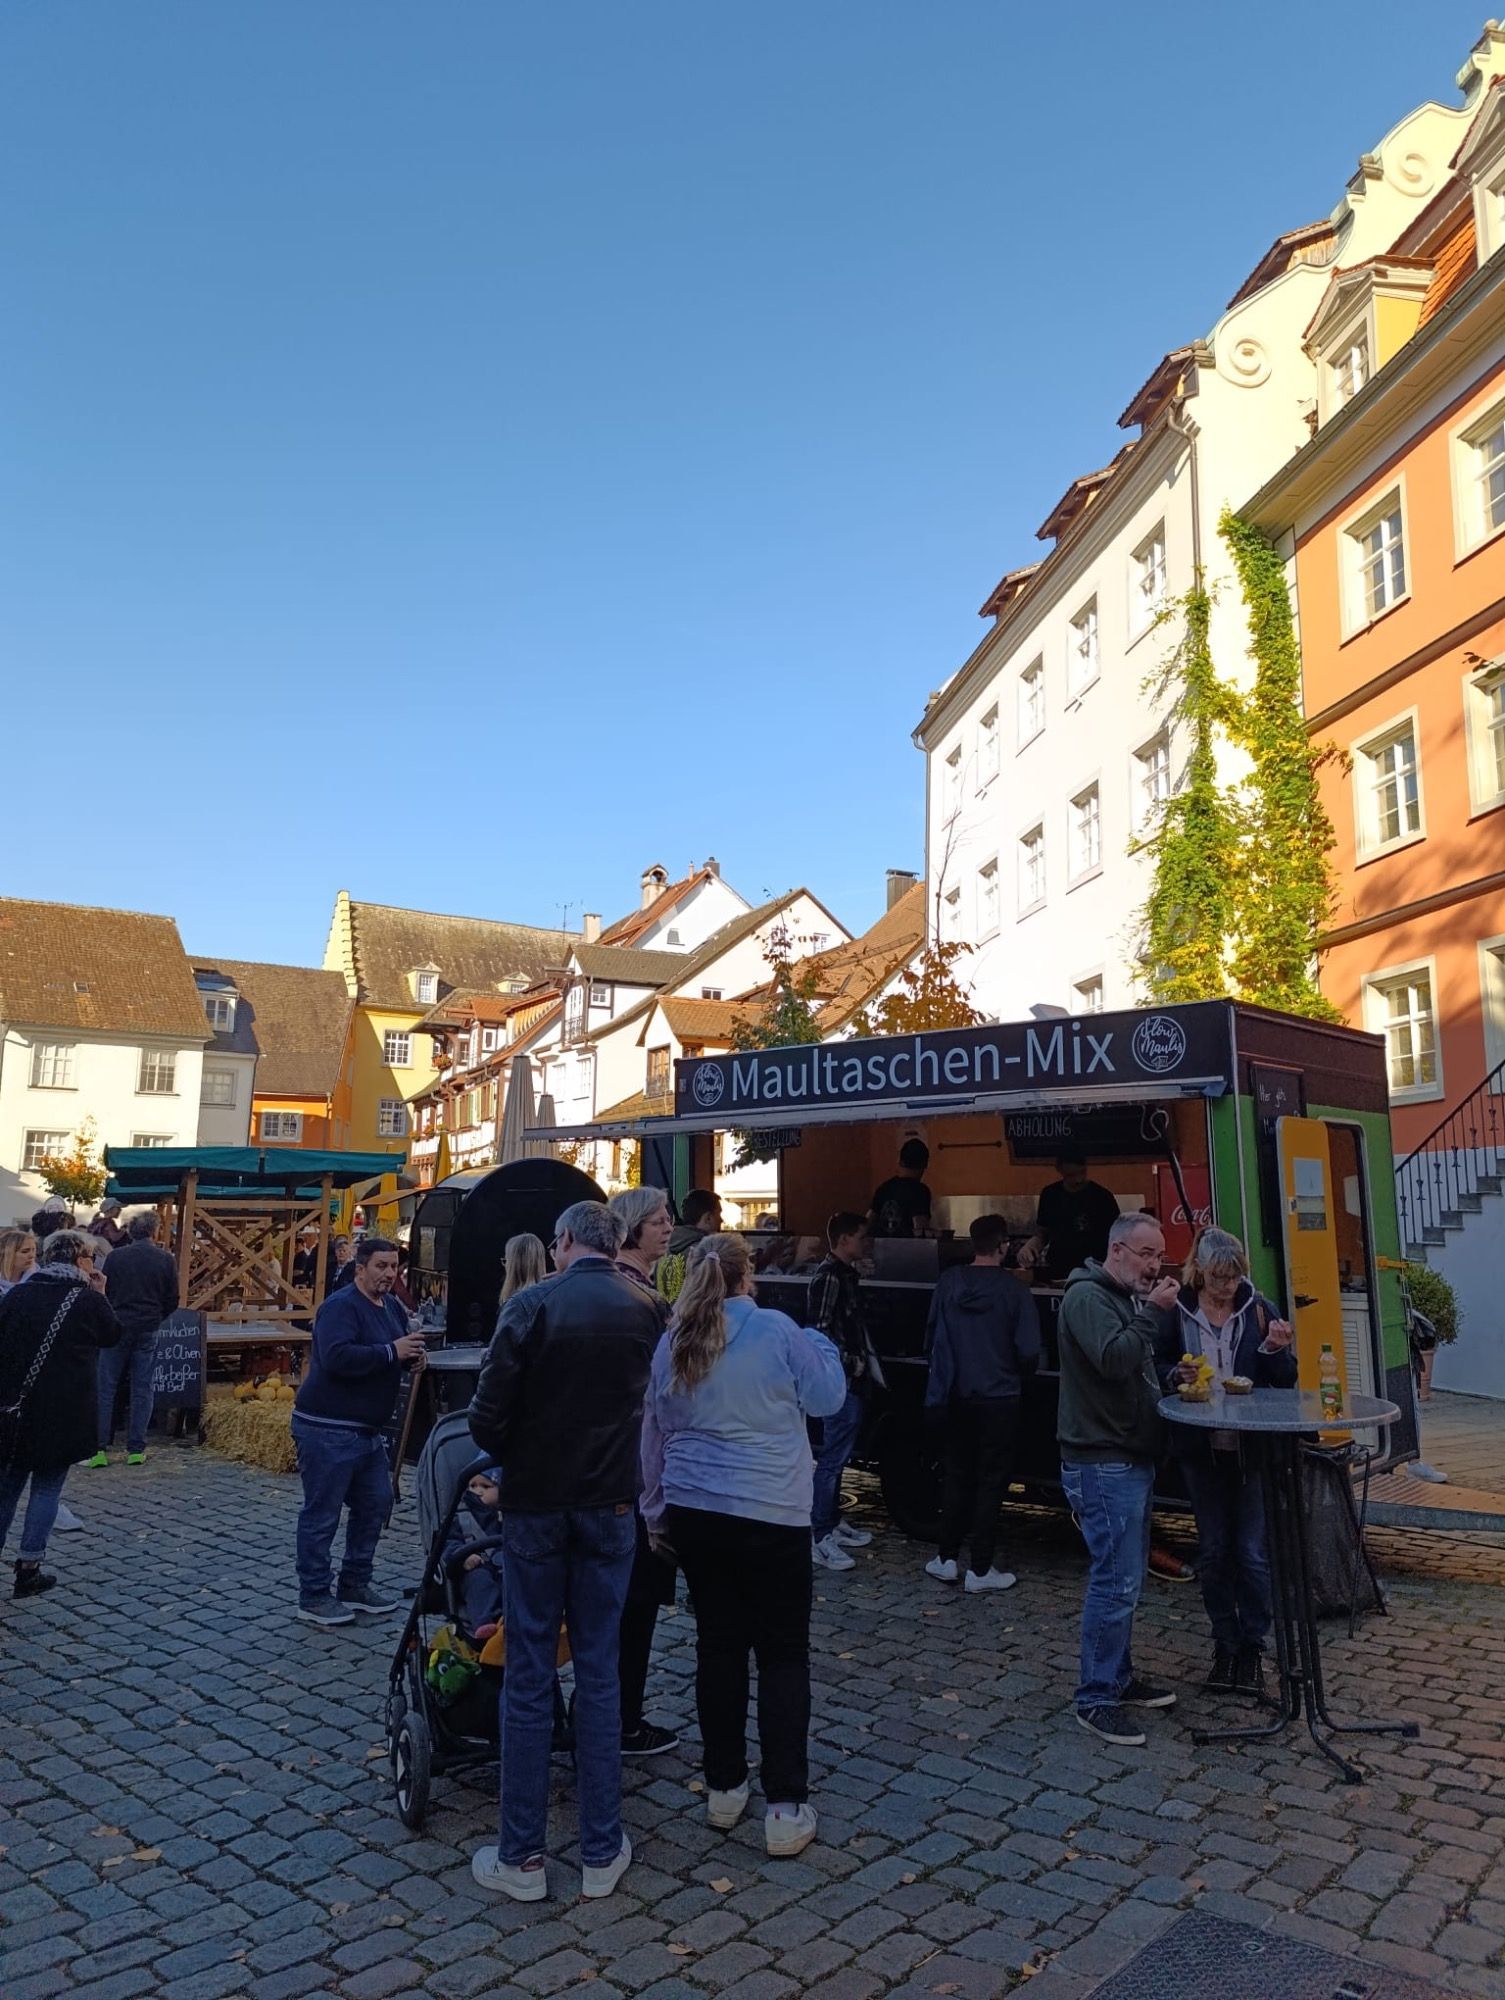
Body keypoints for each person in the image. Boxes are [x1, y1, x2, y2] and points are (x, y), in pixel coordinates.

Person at [468, 1200, 661, 1903]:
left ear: (568, 1241)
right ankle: (601, 1849)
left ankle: (522, 1856)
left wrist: (521, 1452)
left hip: (536, 1504)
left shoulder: (531, 1305)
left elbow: (486, 1416)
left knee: (528, 1671)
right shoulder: (649, 1306)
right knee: (600, 1670)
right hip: (611, 1502)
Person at [641, 1232, 846, 1858]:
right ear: (746, 1275)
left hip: (697, 1507)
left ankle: (724, 1786)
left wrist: (655, 1509)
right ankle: (784, 1804)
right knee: (783, 1654)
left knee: (718, 1646)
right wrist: (822, 1345)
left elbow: (654, 1428)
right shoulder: (778, 1331)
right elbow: (828, 1398)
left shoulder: (675, 1339)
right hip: (771, 1507)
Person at [1152, 1228, 1296, 1696]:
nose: (1227, 1287)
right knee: (1213, 1550)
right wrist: (1175, 1374)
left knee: (1251, 1552)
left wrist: (1275, 1349)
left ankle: (1253, 1646)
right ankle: (1225, 1643)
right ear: (1200, 1271)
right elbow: (1153, 1364)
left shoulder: (1259, 1308)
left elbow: (1286, 1380)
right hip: (1199, 1448)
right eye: (1219, 1278)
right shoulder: (1176, 1311)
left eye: (1234, 1277)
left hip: (1251, 1449)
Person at [1056, 1212, 1182, 1747]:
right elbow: (1111, 1360)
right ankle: (1095, 1697)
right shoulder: (1087, 1297)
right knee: (1115, 1581)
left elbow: (1131, 1367)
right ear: (1117, 1250)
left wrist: (1171, 1377)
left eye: (1160, 1256)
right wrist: (1152, 1314)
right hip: (1102, 1461)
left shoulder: (1122, 1297)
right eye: (1147, 1254)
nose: (1155, 1266)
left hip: (1128, 1455)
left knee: (1127, 1579)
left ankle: (1117, 1677)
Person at [290, 1236, 426, 1626]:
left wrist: (412, 1359)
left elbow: (393, 1351)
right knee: (323, 1514)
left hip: (367, 1431)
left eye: (394, 1266)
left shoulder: (392, 1306)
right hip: (328, 1427)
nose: (389, 1274)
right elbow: (336, 1357)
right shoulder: (340, 1307)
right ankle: (314, 1594)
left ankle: (355, 1583)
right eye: (381, 1266)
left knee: (376, 1503)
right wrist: (392, 1352)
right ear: (360, 1268)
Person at [923, 1214, 1042, 1593]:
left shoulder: (949, 1283)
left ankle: (946, 1558)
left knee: (957, 1475)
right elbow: (1030, 1350)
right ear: (1003, 1245)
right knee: (991, 1482)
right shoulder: (1015, 1291)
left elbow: (930, 1335)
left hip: (956, 1393)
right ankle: (980, 1567)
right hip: (1000, 1396)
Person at [0, 1230, 121, 1597]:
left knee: (7, 1490)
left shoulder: (18, 1296)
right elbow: (112, 1335)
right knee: (47, 1489)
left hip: (16, 1411)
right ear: (81, 1260)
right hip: (64, 1413)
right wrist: (100, 1292)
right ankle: (29, 1568)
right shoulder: (87, 1301)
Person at [606, 1187, 680, 1756]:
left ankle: (614, 1713)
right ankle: (622, 1720)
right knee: (634, 1604)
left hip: (623, 1465)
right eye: (657, 1221)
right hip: (635, 1469)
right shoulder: (639, 1299)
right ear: (632, 1228)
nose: (668, 1227)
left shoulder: (633, 1290)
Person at [804, 1212, 876, 1571]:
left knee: (839, 1455)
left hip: (848, 1376)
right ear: (845, 1239)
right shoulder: (830, 1277)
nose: (866, 1243)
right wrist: (849, 1362)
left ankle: (830, 1522)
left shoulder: (844, 1274)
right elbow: (819, 1330)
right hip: (842, 1379)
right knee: (833, 1457)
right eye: (861, 1237)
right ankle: (820, 1533)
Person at [87, 1211, 180, 1468]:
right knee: (142, 1388)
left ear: (130, 1231)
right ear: (155, 1231)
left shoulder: (116, 1257)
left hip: (117, 1326)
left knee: (106, 1386)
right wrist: (157, 1317)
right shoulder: (165, 1259)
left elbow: (105, 1291)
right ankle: (136, 1449)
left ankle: (99, 1448)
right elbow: (173, 1298)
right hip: (148, 1327)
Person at [1020, 1147, 1123, 1284]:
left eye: (1082, 1173)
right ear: (1059, 1170)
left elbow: (1118, 1237)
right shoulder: (1050, 1195)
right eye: (1071, 1175)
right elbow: (1043, 1232)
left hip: (1093, 1272)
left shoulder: (1102, 1197)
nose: (1078, 1179)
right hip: (1059, 1269)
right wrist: (1030, 1247)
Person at [655, 1189, 722, 1305]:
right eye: (719, 1214)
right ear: (708, 1218)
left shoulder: (662, 1249)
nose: (721, 1220)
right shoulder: (707, 1253)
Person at [868, 1138, 933, 1239]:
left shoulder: (884, 1188)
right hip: (908, 1247)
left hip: (881, 1247)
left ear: (900, 1161)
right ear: (925, 1164)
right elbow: (921, 1229)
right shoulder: (920, 1191)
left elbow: (868, 1222)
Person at [502, 1232, 548, 1300]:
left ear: (514, 1265)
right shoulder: (552, 1294)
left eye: (506, 1260)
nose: (505, 1266)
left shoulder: (516, 1301)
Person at [0, 1228, 37, 1296]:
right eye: (25, 1251)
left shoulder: (39, 1281)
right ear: (7, 1254)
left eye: (33, 1250)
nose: (32, 1256)